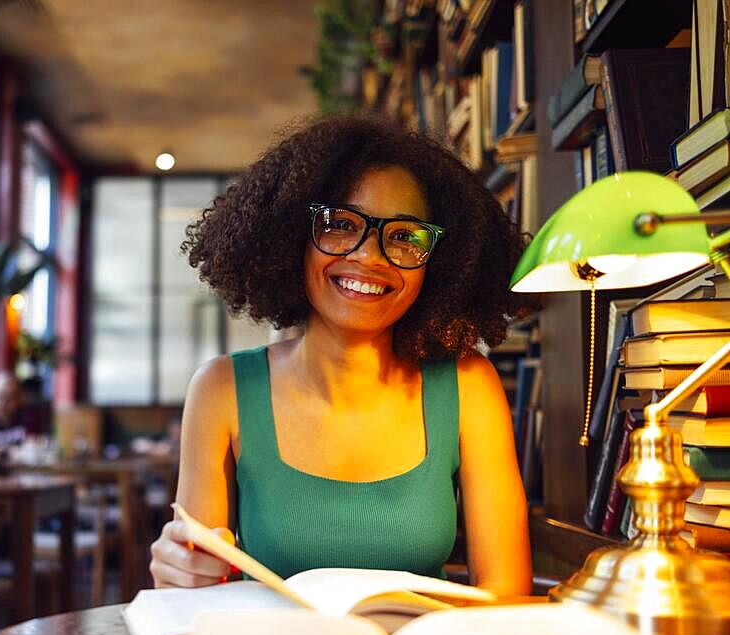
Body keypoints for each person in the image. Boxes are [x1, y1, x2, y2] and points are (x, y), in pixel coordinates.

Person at [149, 114, 536, 596]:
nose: (369, 257)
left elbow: (505, 593)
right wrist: (179, 571)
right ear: (292, 239)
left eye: (404, 236)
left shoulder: (468, 386)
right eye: (339, 225)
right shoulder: (222, 389)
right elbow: (196, 591)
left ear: (438, 262)